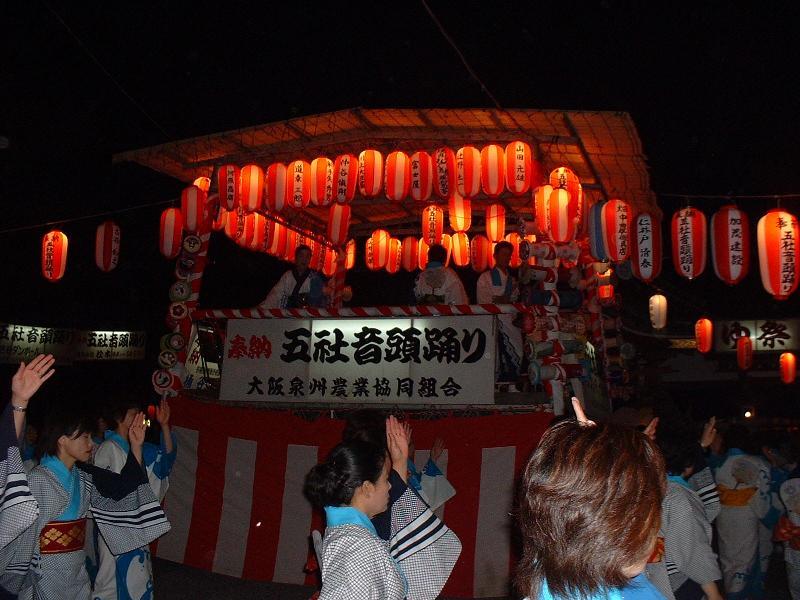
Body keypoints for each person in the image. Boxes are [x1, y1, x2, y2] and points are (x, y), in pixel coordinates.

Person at [0, 360, 170, 600]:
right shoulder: (39, 479)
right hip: (45, 574)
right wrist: (19, 403)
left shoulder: (84, 478)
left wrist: (136, 446)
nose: (91, 443)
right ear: (62, 438)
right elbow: (9, 485)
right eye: (84, 437)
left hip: (77, 573)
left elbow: (123, 489)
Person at [517, 398, 667, 600]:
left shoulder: (552, 574)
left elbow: (557, 513)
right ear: (619, 526)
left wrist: (589, 463)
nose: (656, 525)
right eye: (652, 510)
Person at [329, 412, 461, 598]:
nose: (391, 485)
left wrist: (400, 459)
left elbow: (396, 493)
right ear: (367, 487)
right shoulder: (358, 544)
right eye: (386, 479)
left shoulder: (350, 523)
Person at [90, 397, 177, 600]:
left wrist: (164, 425)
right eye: (132, 415)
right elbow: (103, 492)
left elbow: (165, 460)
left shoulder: (137, 447)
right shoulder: (109, 447)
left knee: (138, 579)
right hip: (115, 528)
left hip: (136, 526)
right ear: (119, 419)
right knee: (110, 582)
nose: (138, 418)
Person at [645, 433, 722, 600]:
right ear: (688, 465)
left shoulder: (646, 487)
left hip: (650, 575)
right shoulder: (677, 497)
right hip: (676, 579)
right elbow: (691, 548)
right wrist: (713, 592)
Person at [713, 424, 771, 599]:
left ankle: (733, 591)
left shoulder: (717, 463)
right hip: (747, 515)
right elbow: (763, 500)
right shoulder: (759, 463)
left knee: (727, 557)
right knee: (746, 558)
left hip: (724, 515)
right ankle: (739, 594)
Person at [475, 240, 523, 383]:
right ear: (495, 255)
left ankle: (512, 384)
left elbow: (512, 300)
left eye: (509, 255)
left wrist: (502, 299)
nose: (507, 258)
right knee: (496, 355)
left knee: (517, 352)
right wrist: (502, 299)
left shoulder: (512, 280)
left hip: (512, 323)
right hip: (495, 323)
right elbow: (484, 301)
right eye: (504, 254)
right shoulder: (485, 278)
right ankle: (497, 384)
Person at [261, 244, 327, 308]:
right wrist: (262, 308)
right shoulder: (288, 276)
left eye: (307, 256)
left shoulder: (314, 278)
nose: (304, 259)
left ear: (310, 259)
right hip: (288, 314)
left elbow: (318, 300)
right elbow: (275, 294)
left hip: (306, 315)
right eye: (301, 256)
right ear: (296, 258)